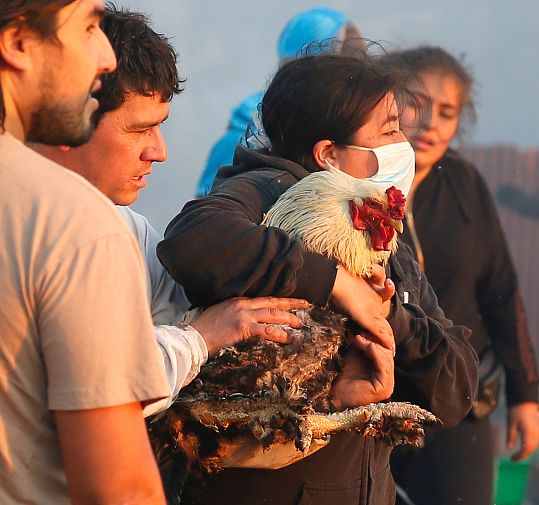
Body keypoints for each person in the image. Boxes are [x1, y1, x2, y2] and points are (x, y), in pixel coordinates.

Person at [157, 52, 479, 505]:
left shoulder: (378, 229)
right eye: (388, 131)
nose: (402, 145)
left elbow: (455, 390)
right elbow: (194, 239)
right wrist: (335, 282)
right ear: (329, 154)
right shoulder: (267, 194)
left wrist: (387, 316)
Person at [30, 5, 311, 417]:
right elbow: (107, 389)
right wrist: (200, 338)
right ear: (74, 118)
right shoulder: (29, 230)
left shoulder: (131, 230)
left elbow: (176, 316)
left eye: (160, 127)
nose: (159, 152)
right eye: (139, 129)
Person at [0, 1, 171, 503]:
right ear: (17, 44)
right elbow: (119, 490)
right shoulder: (69, 222)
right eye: (89, 27)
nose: (105, 57)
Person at [379, 46, 539, 505]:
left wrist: (525, 394)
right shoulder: (357, 185)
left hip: (460, 399)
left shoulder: (466, 184)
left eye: (447, 112)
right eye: (418, 105)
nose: (431, 124)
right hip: (374, 401)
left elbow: (501, 292)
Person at [195, 6, 363, 196]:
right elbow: (205, 209)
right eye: (345, 62)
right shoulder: (250, 133)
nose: (355, 83)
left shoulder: (344, 130)